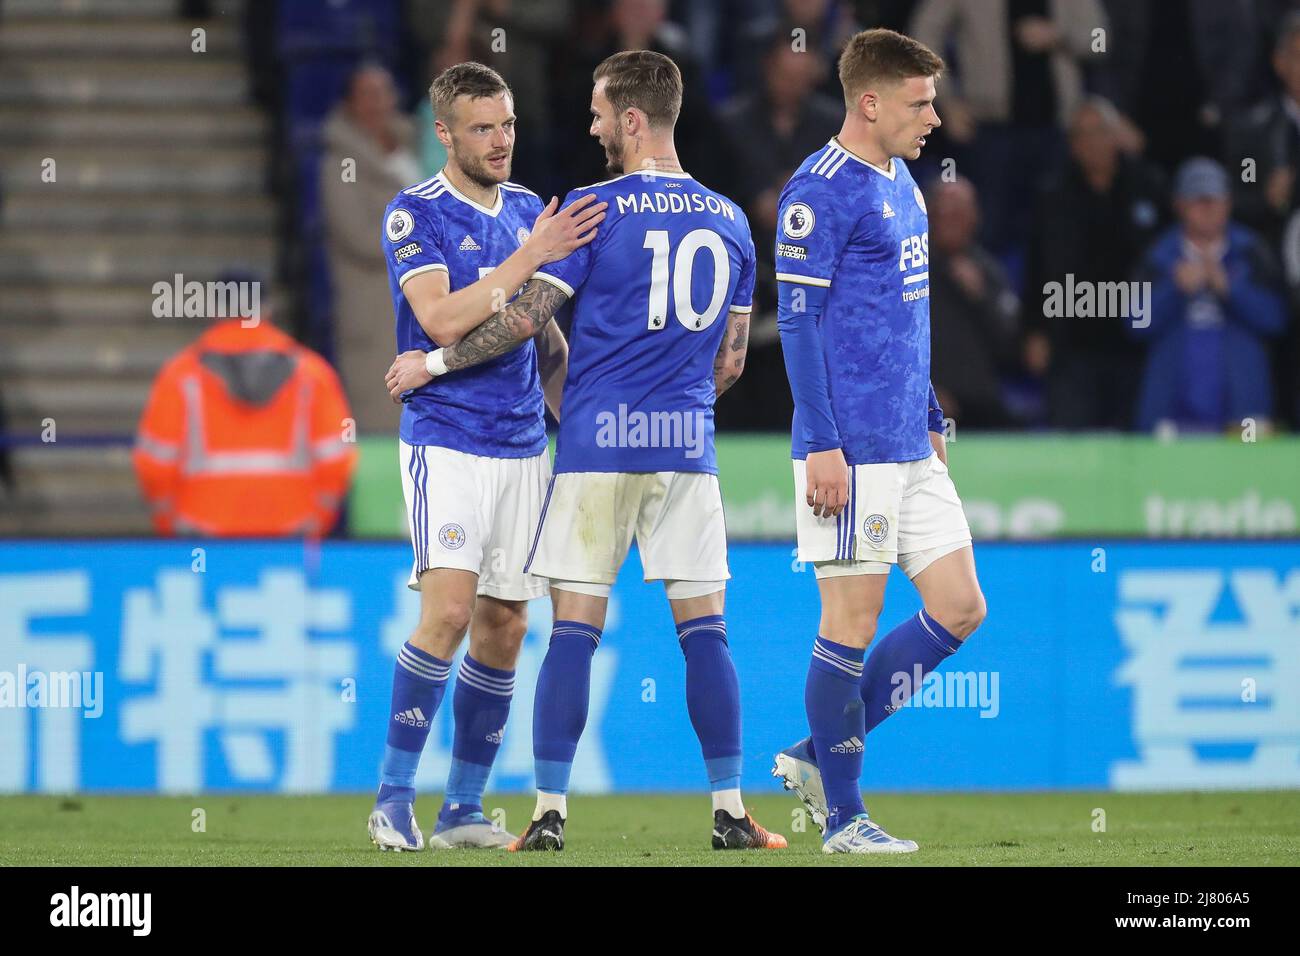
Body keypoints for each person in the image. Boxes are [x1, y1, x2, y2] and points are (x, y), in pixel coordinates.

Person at [387, 50, 787, 852]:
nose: (592, 124)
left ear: (633, 119)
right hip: (683, 449)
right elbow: (734, 359)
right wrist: (677, 411)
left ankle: (546, 813)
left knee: (569, 631)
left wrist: (432, 363)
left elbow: (526, 323)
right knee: (705, 631)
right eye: (487, 126)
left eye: (602, 112)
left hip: (591, 449)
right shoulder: (734, 218)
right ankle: (730, 809)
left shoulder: (593, 210)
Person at [366, 62, 606, 852]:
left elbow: (544, 338)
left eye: (505, 125)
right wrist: (529, 255)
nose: (500, 140)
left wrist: (581, 435)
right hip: (446, 440)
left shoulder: (532, 210)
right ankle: (393, 797)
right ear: (444, 133)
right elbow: (438, 319)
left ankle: (462, 807)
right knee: (449, 611)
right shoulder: (415, 215)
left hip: (522, 444)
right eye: (481, 128)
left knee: (504, 627)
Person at [770, 28, 987, 854]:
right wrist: (821, 442)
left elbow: (907, 314)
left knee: (962, 607)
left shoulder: (904, 183)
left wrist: (930, 412)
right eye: (919, 102)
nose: (934, 117)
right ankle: (843, 817)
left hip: (907, 439)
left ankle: (813, 754)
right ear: (870, 102)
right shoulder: (818, 191)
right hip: (849, 448)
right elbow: (798, 322)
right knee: (850, 624)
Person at [133, 278, 356, 537]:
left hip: (201, 535)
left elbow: (153, 466)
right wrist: (318, 521)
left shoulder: (180, 376)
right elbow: (337, 461)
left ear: (214, 309)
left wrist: (169, 523)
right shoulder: (313, 374)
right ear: (267, 309)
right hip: (290, 534)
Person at [1131, 157, 1287, 434]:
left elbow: (1277, 319)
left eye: (1214, 200)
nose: (1207, 209)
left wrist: (1230, 289)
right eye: (1198, 201)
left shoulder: (1252, 252)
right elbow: (1133, 323)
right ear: (1179, 205)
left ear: (1228, 203)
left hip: (1242, 413)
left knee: (1245, 478)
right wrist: (1174, 290)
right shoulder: (1159, 256)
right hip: (1171, 415)